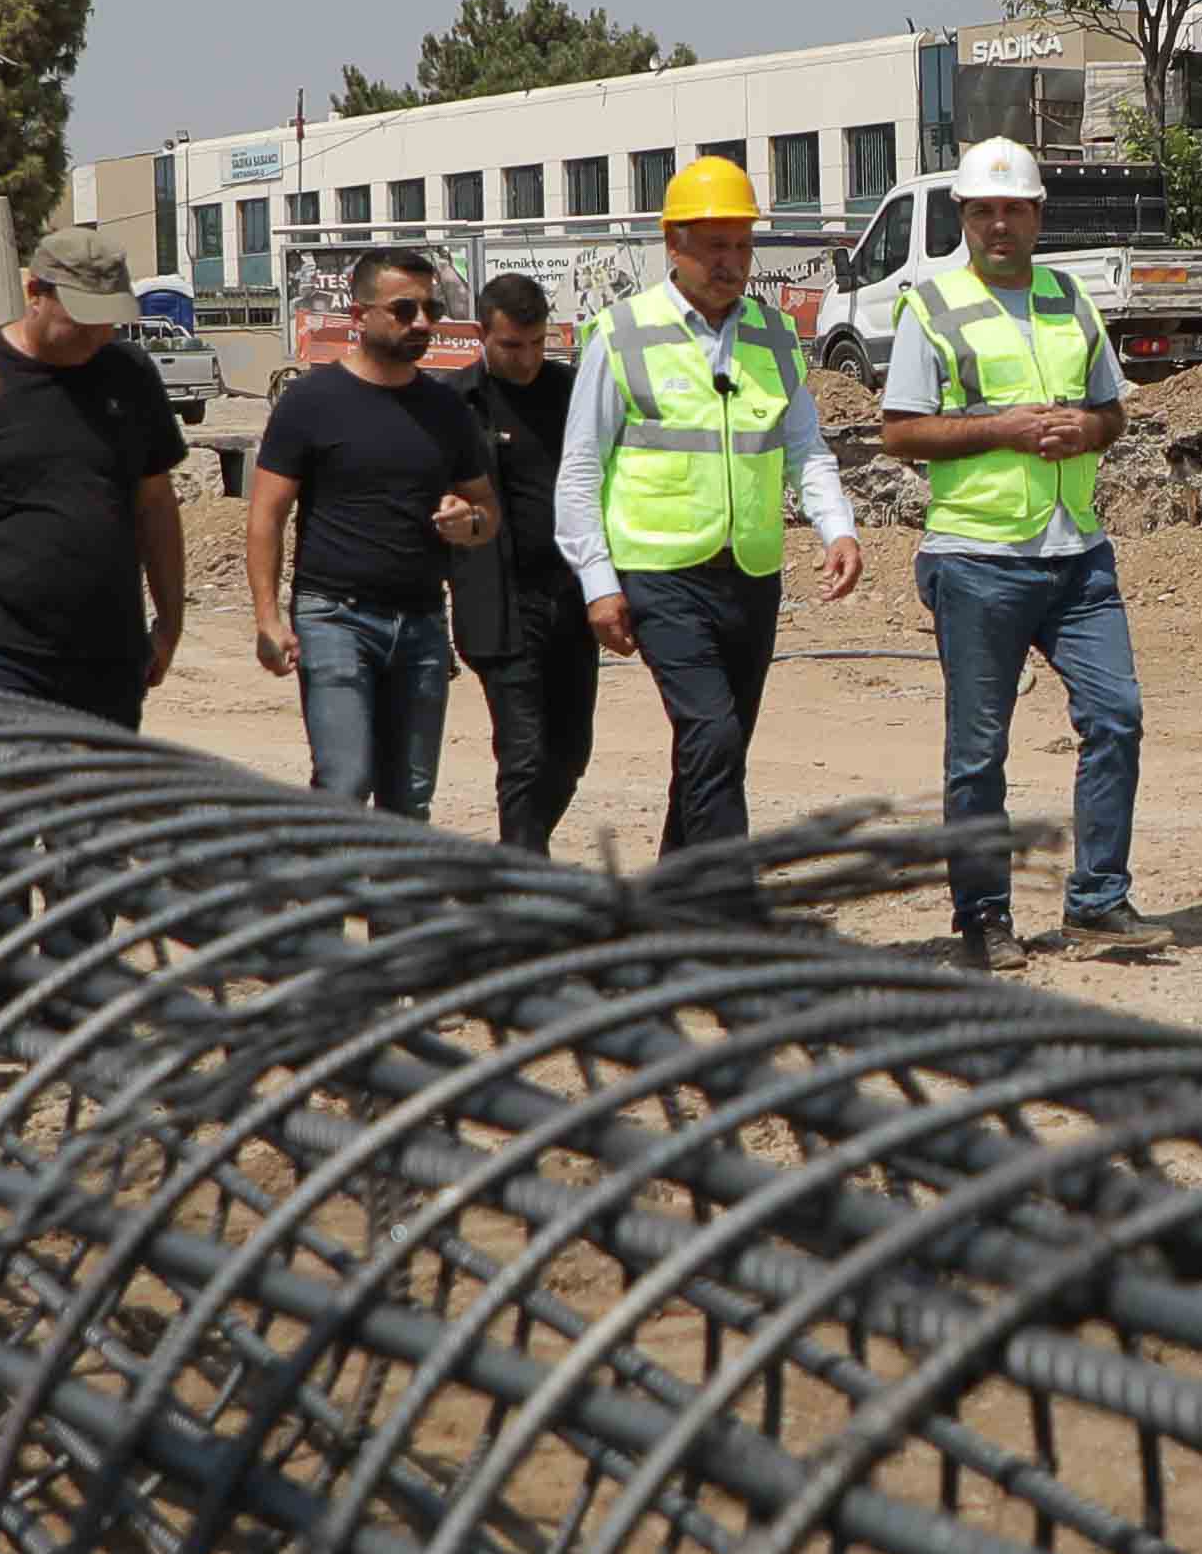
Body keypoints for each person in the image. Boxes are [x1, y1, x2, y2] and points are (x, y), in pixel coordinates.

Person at [877, 137, 1147, 963]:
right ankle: (983, 918)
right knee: (978, 752)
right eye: (985, 210)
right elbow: (900, 432)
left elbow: (1113, 412)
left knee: (1117, 718)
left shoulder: (1070, 299)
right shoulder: (932, 307)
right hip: (976, 557)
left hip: (1077, 553)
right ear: (963, 217)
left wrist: (1085, 429)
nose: (1000, 224)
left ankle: (1098, 900)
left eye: (1015, 209)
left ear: (1037, 215)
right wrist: (1005, 429)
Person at [552, 156, 862, 865]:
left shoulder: (772, 335)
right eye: (716, 245)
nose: (732, 262)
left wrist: (837, 527)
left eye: (743, 245)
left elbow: (804, 446)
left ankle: (671, 898)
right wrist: (598, 583)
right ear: (675, 244)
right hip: (660, 573)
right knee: (712, 736)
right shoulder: (622, 333)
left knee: (716, 750)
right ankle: (727, 905)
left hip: (750, 575)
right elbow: (580, 468)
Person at [0, 227, 190, 721]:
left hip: (109, 653)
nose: (99, 334)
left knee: (98, 776)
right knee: (7, 772)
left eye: (108, 320)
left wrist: (171, 622)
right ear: (36, 294)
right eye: (83, 319)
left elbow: (156, 505)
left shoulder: (131, 376)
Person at [247, 245, 495, 821]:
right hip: (335, 618)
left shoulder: (446, 409)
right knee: (345, 782)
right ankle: (327, 882)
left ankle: (392, 887)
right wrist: (267, 618)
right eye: (404, 310)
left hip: (422, 622)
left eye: (431, 310)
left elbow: (486, 510)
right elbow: (266, 516)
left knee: (409, 800)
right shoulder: (309, 403)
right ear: (360, 316)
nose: (422, 323)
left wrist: (471, 522)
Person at [448, 271, 596, 851]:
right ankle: (523, 882)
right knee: (523, 753)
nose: (528, 358)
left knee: (570, 753)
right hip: (499, 601)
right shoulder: (456, 403)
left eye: (538, 344)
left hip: (572, 599)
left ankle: (513, 862)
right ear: (480, 335)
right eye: (512, 345)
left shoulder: (572, 394)